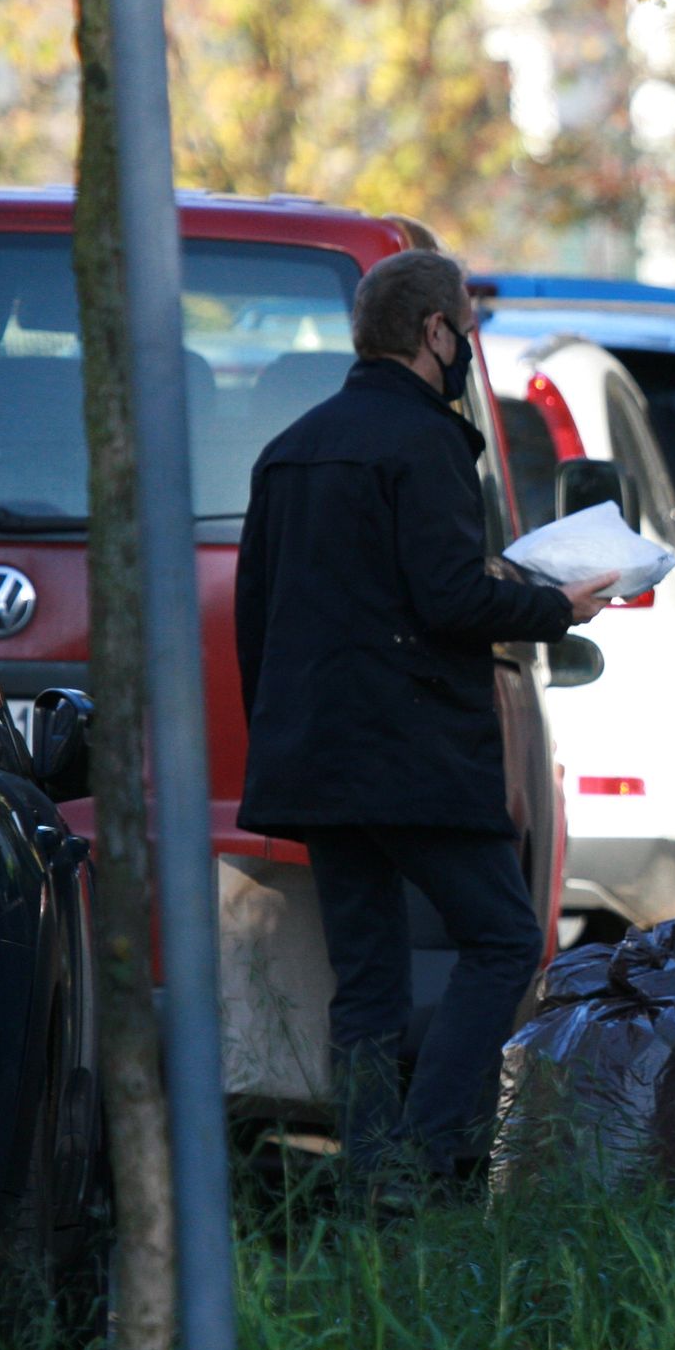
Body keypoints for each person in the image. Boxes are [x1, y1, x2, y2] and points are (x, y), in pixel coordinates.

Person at [234, 249, 619, 1191]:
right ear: (433, 331)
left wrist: (281, 736)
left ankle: (374, 1182)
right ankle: (422, 1150)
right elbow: (450, 598)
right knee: (504, 937)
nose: (467, 350)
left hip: (317, 756)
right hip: (414, 752)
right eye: (466, 333)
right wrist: (557, 607)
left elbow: (256, 618)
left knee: (366, 980)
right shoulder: (427, 442)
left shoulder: (289, 449)